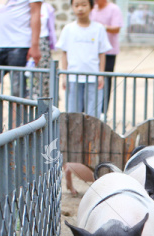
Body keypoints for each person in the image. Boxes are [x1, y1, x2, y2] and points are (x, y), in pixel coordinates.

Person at [57, 0, 110, 194]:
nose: (80, 8)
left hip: (93, 79)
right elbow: (64, 53)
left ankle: (92, 167)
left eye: (83, 4)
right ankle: (69, 176)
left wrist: (101, 75)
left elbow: (103, 53)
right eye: (76, 5)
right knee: (72, 122)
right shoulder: (68, 29)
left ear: (91, 7)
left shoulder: (98, 29)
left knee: (92, 121)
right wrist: (64, 74)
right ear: (72, 7)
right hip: (73, 79)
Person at [0, 0, 41, 99]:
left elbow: (35, 13)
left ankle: (18, 114)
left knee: (18, 93)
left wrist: (35, 45)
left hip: (20, 44)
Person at [90, 0, 121, 115]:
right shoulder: (92, 9)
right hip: (93, 51)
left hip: (109, 52)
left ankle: (103, 111)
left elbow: (116, 28)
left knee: (106, 80)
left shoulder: (114, 9)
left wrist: (100, 27)